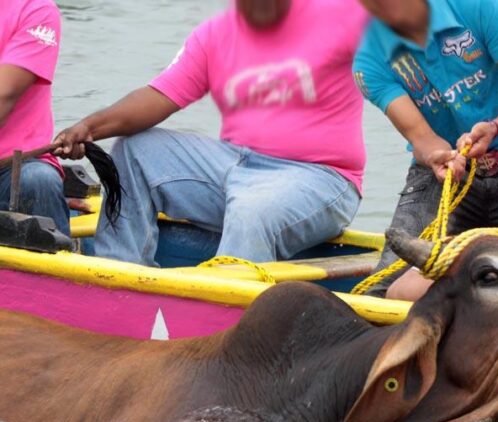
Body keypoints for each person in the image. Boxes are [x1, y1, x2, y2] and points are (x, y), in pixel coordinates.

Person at [54, 0, 368, 266]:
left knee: (251, 210)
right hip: (232, 165)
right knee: (132, 151)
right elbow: (158, 97)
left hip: (321, 179)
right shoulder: (217, 33)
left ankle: (227, 327)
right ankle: (119, 281)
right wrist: (88, 128)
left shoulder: (342, 14)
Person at [353, 0, 498, 299]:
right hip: (444, 175)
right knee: (381, 289)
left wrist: (495, 127)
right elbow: (421, 137)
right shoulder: (368, 60)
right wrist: (439, 156)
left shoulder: (477, 7)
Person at [0, 0, 69, 235]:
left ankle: (54, 269)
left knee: (38, 181)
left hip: (12, 169)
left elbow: (3, 96)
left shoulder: (36, 9)